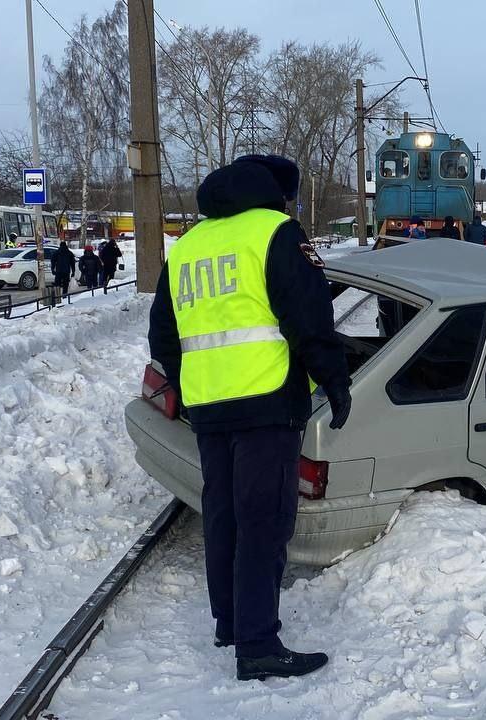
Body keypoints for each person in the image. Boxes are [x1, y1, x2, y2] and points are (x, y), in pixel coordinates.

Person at [148, 154, 351, 682]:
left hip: (208, 406)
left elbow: (163, 335)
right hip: (266, 400)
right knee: (264, 521)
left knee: (224, 516)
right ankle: (258, 643)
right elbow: (309, 316)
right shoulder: (275, 232)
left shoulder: (188, 244)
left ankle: (231, 623)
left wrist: (190, 384)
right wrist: (334, 379)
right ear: (280, 195)